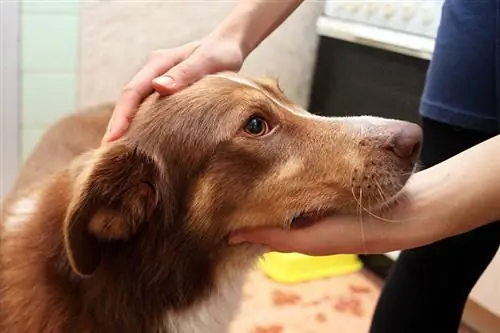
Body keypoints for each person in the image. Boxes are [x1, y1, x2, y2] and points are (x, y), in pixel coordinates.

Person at [102, 0, 500, 332]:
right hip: (480, 44)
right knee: (433, 269)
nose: (390, 133)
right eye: (256, 126)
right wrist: (232, 36)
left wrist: (419, 217)